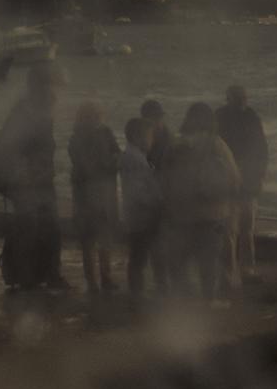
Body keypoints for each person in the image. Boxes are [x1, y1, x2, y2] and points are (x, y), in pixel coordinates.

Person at [0, 62, 67, 292]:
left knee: (50, 228)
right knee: (29, 229)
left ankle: (49, 274)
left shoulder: (43, 110)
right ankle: (25, 278)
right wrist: (22, 173)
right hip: (25, 183)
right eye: (50, 84)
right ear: (38, 86)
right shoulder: (23, 112)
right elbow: (4, 147)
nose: (54, 91)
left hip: (43, 180)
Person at [161, 101, 241, 301]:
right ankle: (207, 303)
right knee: (208, 263)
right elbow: (234, 179)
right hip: (212, 214)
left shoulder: (175, 145)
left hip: (180, 215)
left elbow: (162, 180)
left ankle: (181, 306)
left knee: (180, 263)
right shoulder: (216, 144)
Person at [67, 100, 121, 294]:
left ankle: (100, 280)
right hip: (94, 194)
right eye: (96, 114)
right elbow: (93, 164)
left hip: (92, 194)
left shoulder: (79, 137)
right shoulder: (92, 135)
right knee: (94, 239)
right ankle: (98, 280)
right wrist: (109, 164)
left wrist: (108, 163)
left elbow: (115, 155)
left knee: (94, 239)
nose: (98, 117)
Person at [215, 84, 268, 279]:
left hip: (248, 183)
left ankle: (246, 269)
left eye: (244, 98)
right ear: (228, 98)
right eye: (238, 98)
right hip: (228, 185)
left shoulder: (251, 117)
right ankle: (230, 271)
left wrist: (260, 176)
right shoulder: (219, 118)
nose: (242, 101)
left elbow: (262, 149)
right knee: (230, 231)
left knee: (245, 230)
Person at [119, 118, 163, 296]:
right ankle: (137, 294)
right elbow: (139, 192)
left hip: (136, 216)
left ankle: (137, 292)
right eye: (150, 136)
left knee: (138, 256)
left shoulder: (132, 156)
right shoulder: (135, 159)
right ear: (138, 137)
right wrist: (157, 202)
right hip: (141, 217)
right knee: (139, 257)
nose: (152, 141)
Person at [139, 98, 173, 169]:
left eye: (159, 118)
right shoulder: (137, 136)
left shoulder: (166, 135)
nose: (157, 122)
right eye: (153, 118)